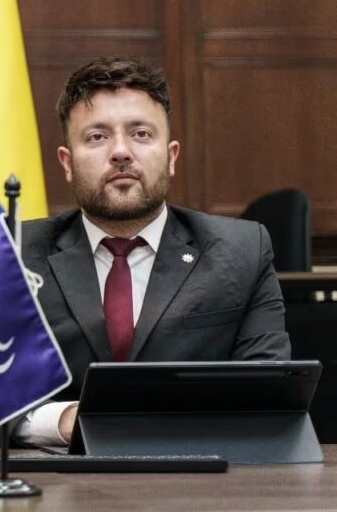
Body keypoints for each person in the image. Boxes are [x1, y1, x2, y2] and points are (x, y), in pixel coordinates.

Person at [16, 57, 291, 446]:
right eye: (97, 137)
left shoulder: (241, 251)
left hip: (199, 489)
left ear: (172, 155)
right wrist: (65, 420)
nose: (121, 152)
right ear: (67, 163)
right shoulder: (14, 254)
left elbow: (269, 392)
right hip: (56, 488)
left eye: (141, 134)